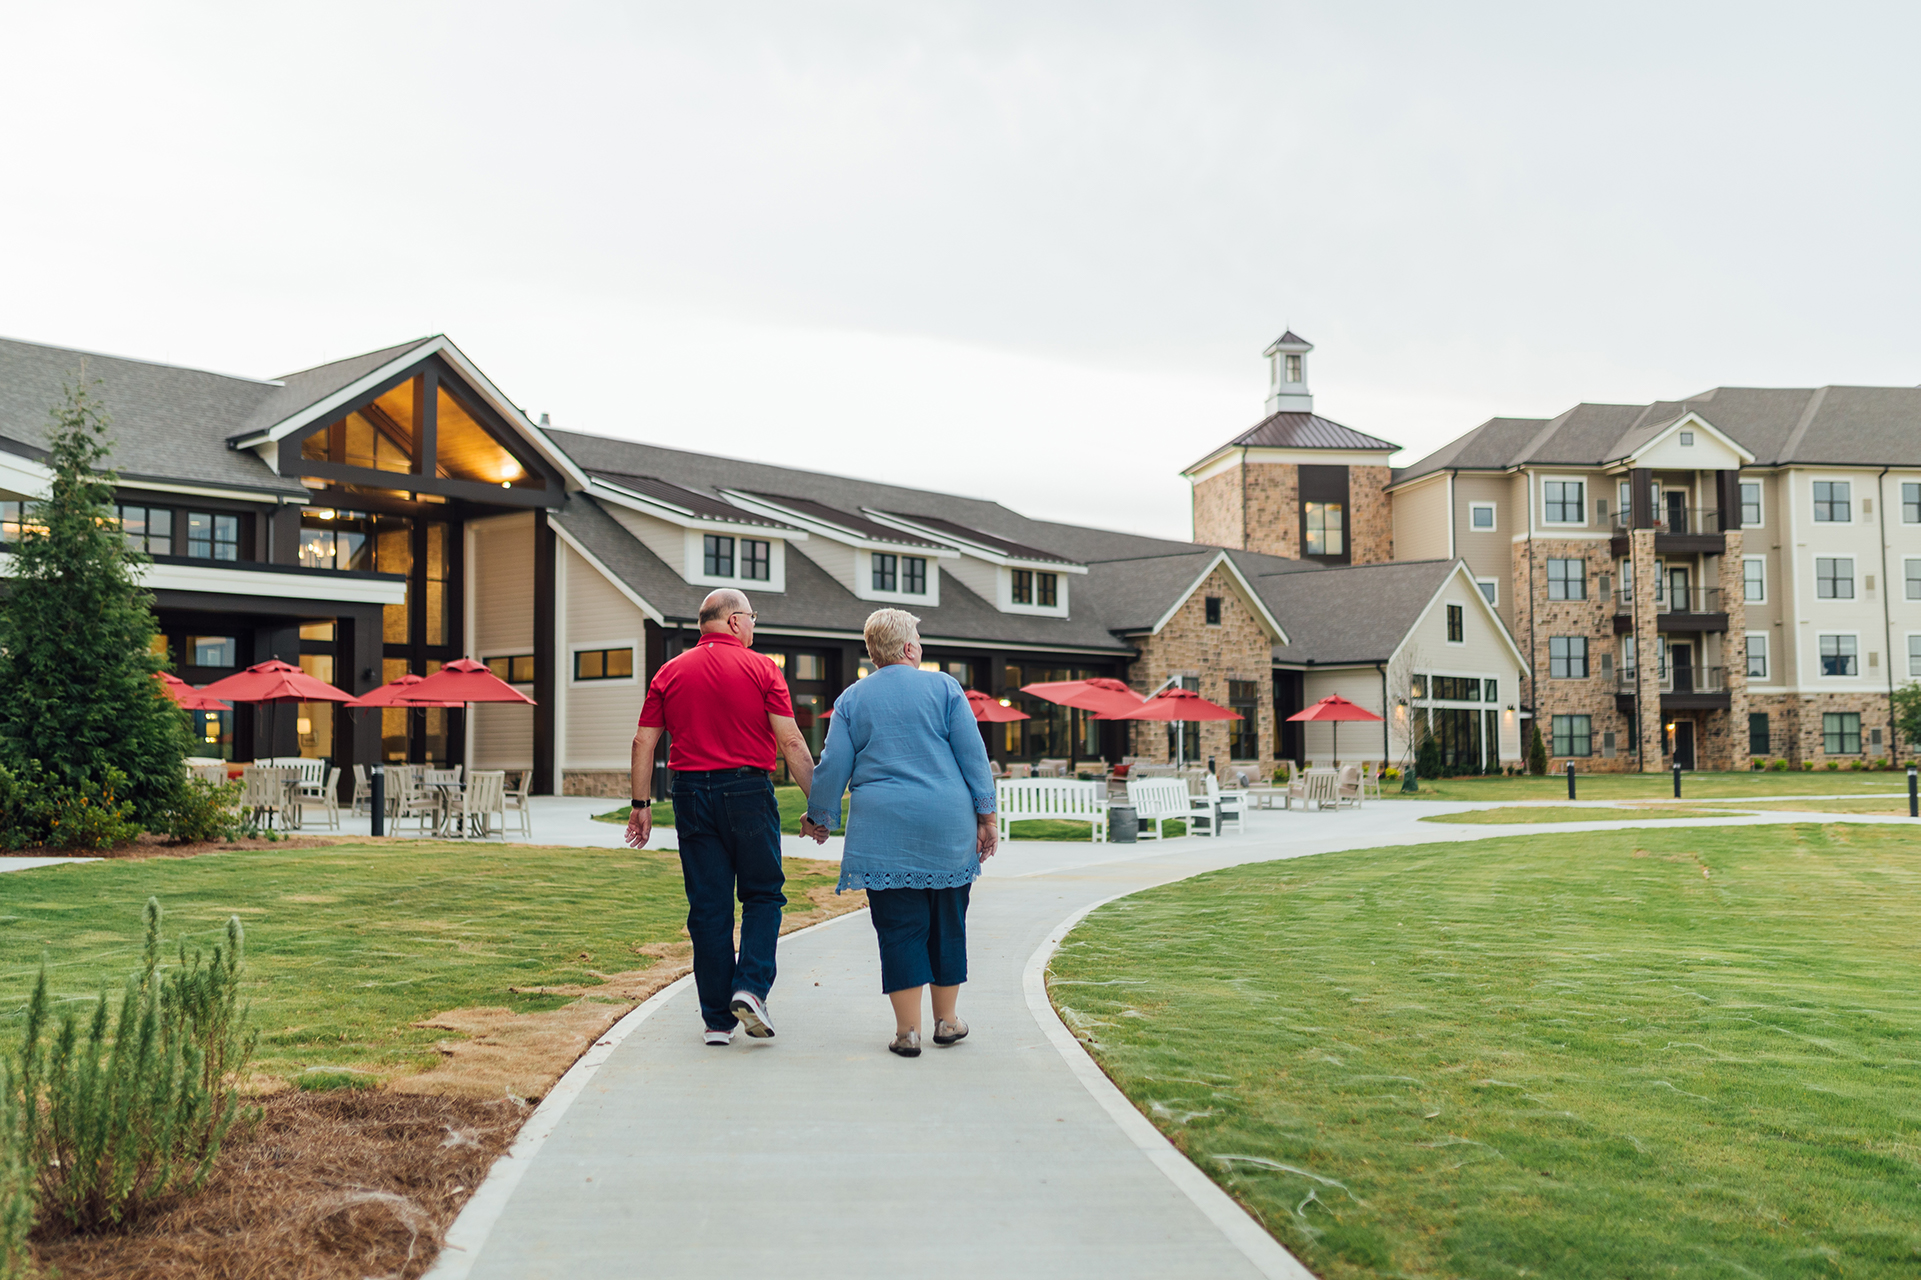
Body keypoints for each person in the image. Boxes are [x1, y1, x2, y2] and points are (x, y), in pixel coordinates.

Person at [800, 608, 996, 1057]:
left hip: (882, 830)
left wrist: (820, 817)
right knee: (948, 922)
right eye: (919, 643)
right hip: (946, 825)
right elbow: (973, 756)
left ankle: (908, 1032)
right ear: (909, 648)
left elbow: (833, 766)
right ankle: (947, 1021)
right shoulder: (944, 688)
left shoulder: (851, 700)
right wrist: (987, 818)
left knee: (898, 928)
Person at [628, 588, 816, 1046]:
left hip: (690, 794)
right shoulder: (762, 668)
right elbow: (792, 742)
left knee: (709, 906)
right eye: (752, 617)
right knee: (763, 894)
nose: (753, 625)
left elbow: (643, 742)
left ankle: (716, 1021)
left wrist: (641, 805)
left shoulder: (670, 671)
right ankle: (750, 987)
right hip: (747, 790)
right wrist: (820, 807)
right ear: (734, 621)